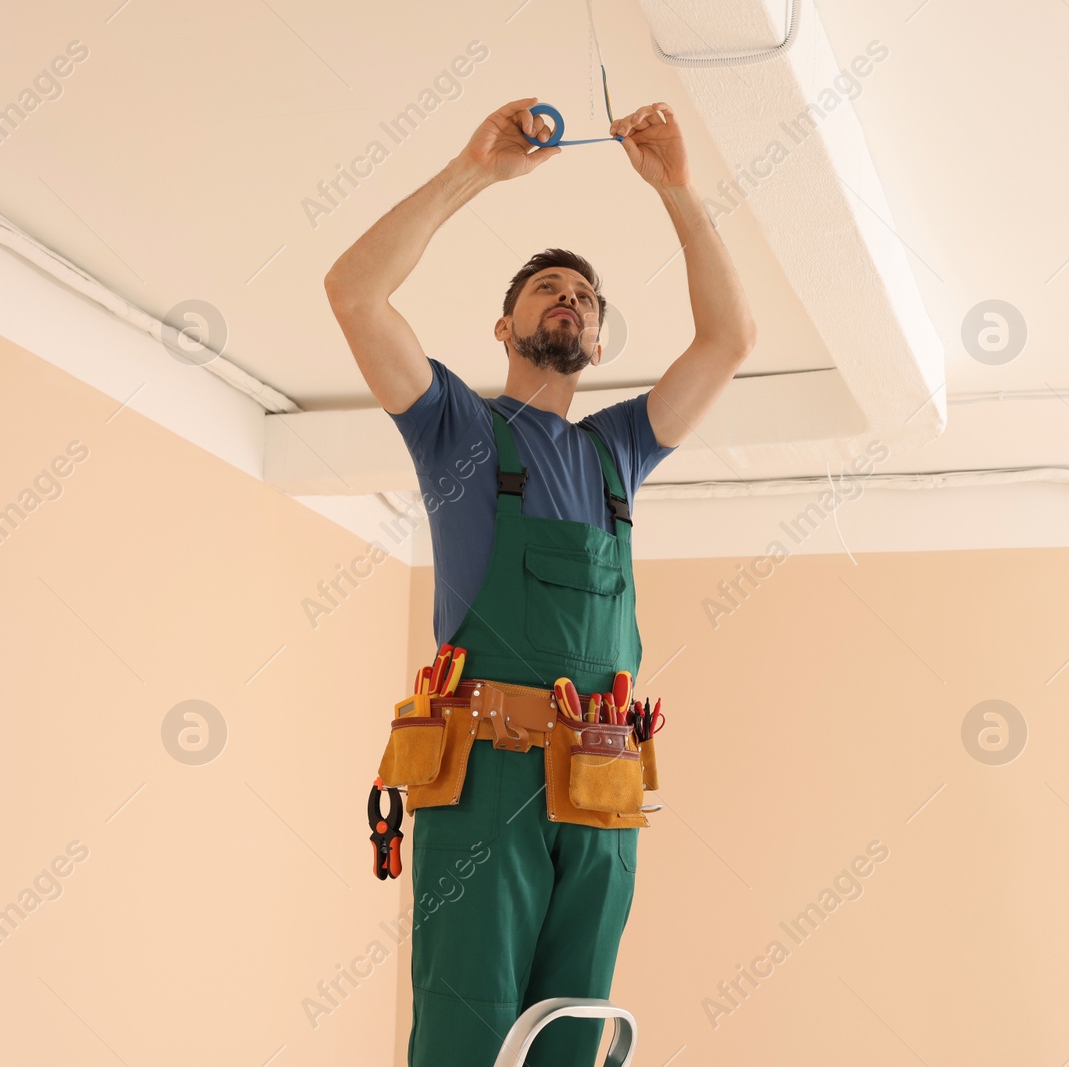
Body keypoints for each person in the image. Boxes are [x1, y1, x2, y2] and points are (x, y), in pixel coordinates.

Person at [324, 97, 756, 1066]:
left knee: (574, 1032)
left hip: (603, 778)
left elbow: (729, 338)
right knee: (468, 1022)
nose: (570, 299)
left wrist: (677, 191)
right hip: (485, 773)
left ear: (598, 343)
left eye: (586, 298)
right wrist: (475, 169)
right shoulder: (457, 433)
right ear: (503, 325)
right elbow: (355, 293)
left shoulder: (619, 452)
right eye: (549, 289)